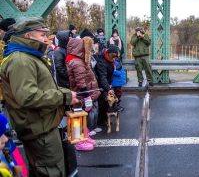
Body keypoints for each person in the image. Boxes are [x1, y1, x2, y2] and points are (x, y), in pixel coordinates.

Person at [0, 17, 79, 176]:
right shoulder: (21, 60)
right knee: (51, 171)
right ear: (28, 36)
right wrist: (64, 97)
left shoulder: (27, 56)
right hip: (40, 130)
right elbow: (28, 97)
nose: (46, 39)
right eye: (42, 34)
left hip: (41, 125)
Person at [66, 36, 101, 151]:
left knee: (80, 116)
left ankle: (84, 136)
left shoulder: (75, 60)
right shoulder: (77, 62)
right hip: (81, 94)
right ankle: (79, 142)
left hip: (81, 93)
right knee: (77, 116)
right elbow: (80, 81)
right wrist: (87, 97)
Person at [94, 45, 119, 126]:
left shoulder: (110, 60)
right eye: (114, 56)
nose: (115, 58)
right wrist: (108, 88)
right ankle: (100, 121)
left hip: (107, 83)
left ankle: (104, 119)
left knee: (106, 102)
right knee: (103, 102)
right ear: (110, 54)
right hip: (101, 84)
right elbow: (102, 77)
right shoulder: (102, 61)